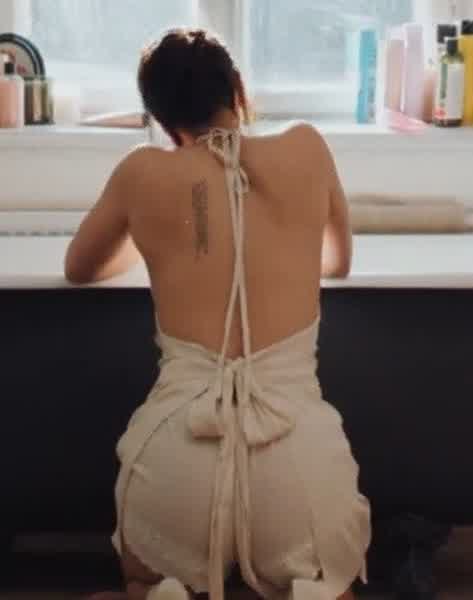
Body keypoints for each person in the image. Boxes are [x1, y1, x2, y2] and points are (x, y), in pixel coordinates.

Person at [65, 28, 370, 600]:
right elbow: (337, 262)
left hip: (179, 457)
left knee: (144, 577)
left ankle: (157, 590)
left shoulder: (141, 173)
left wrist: (157, 236)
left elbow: (80, 266)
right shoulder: (307, 148)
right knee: (327, 579)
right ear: (238, 90)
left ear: (160, 119)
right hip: (294, 458)